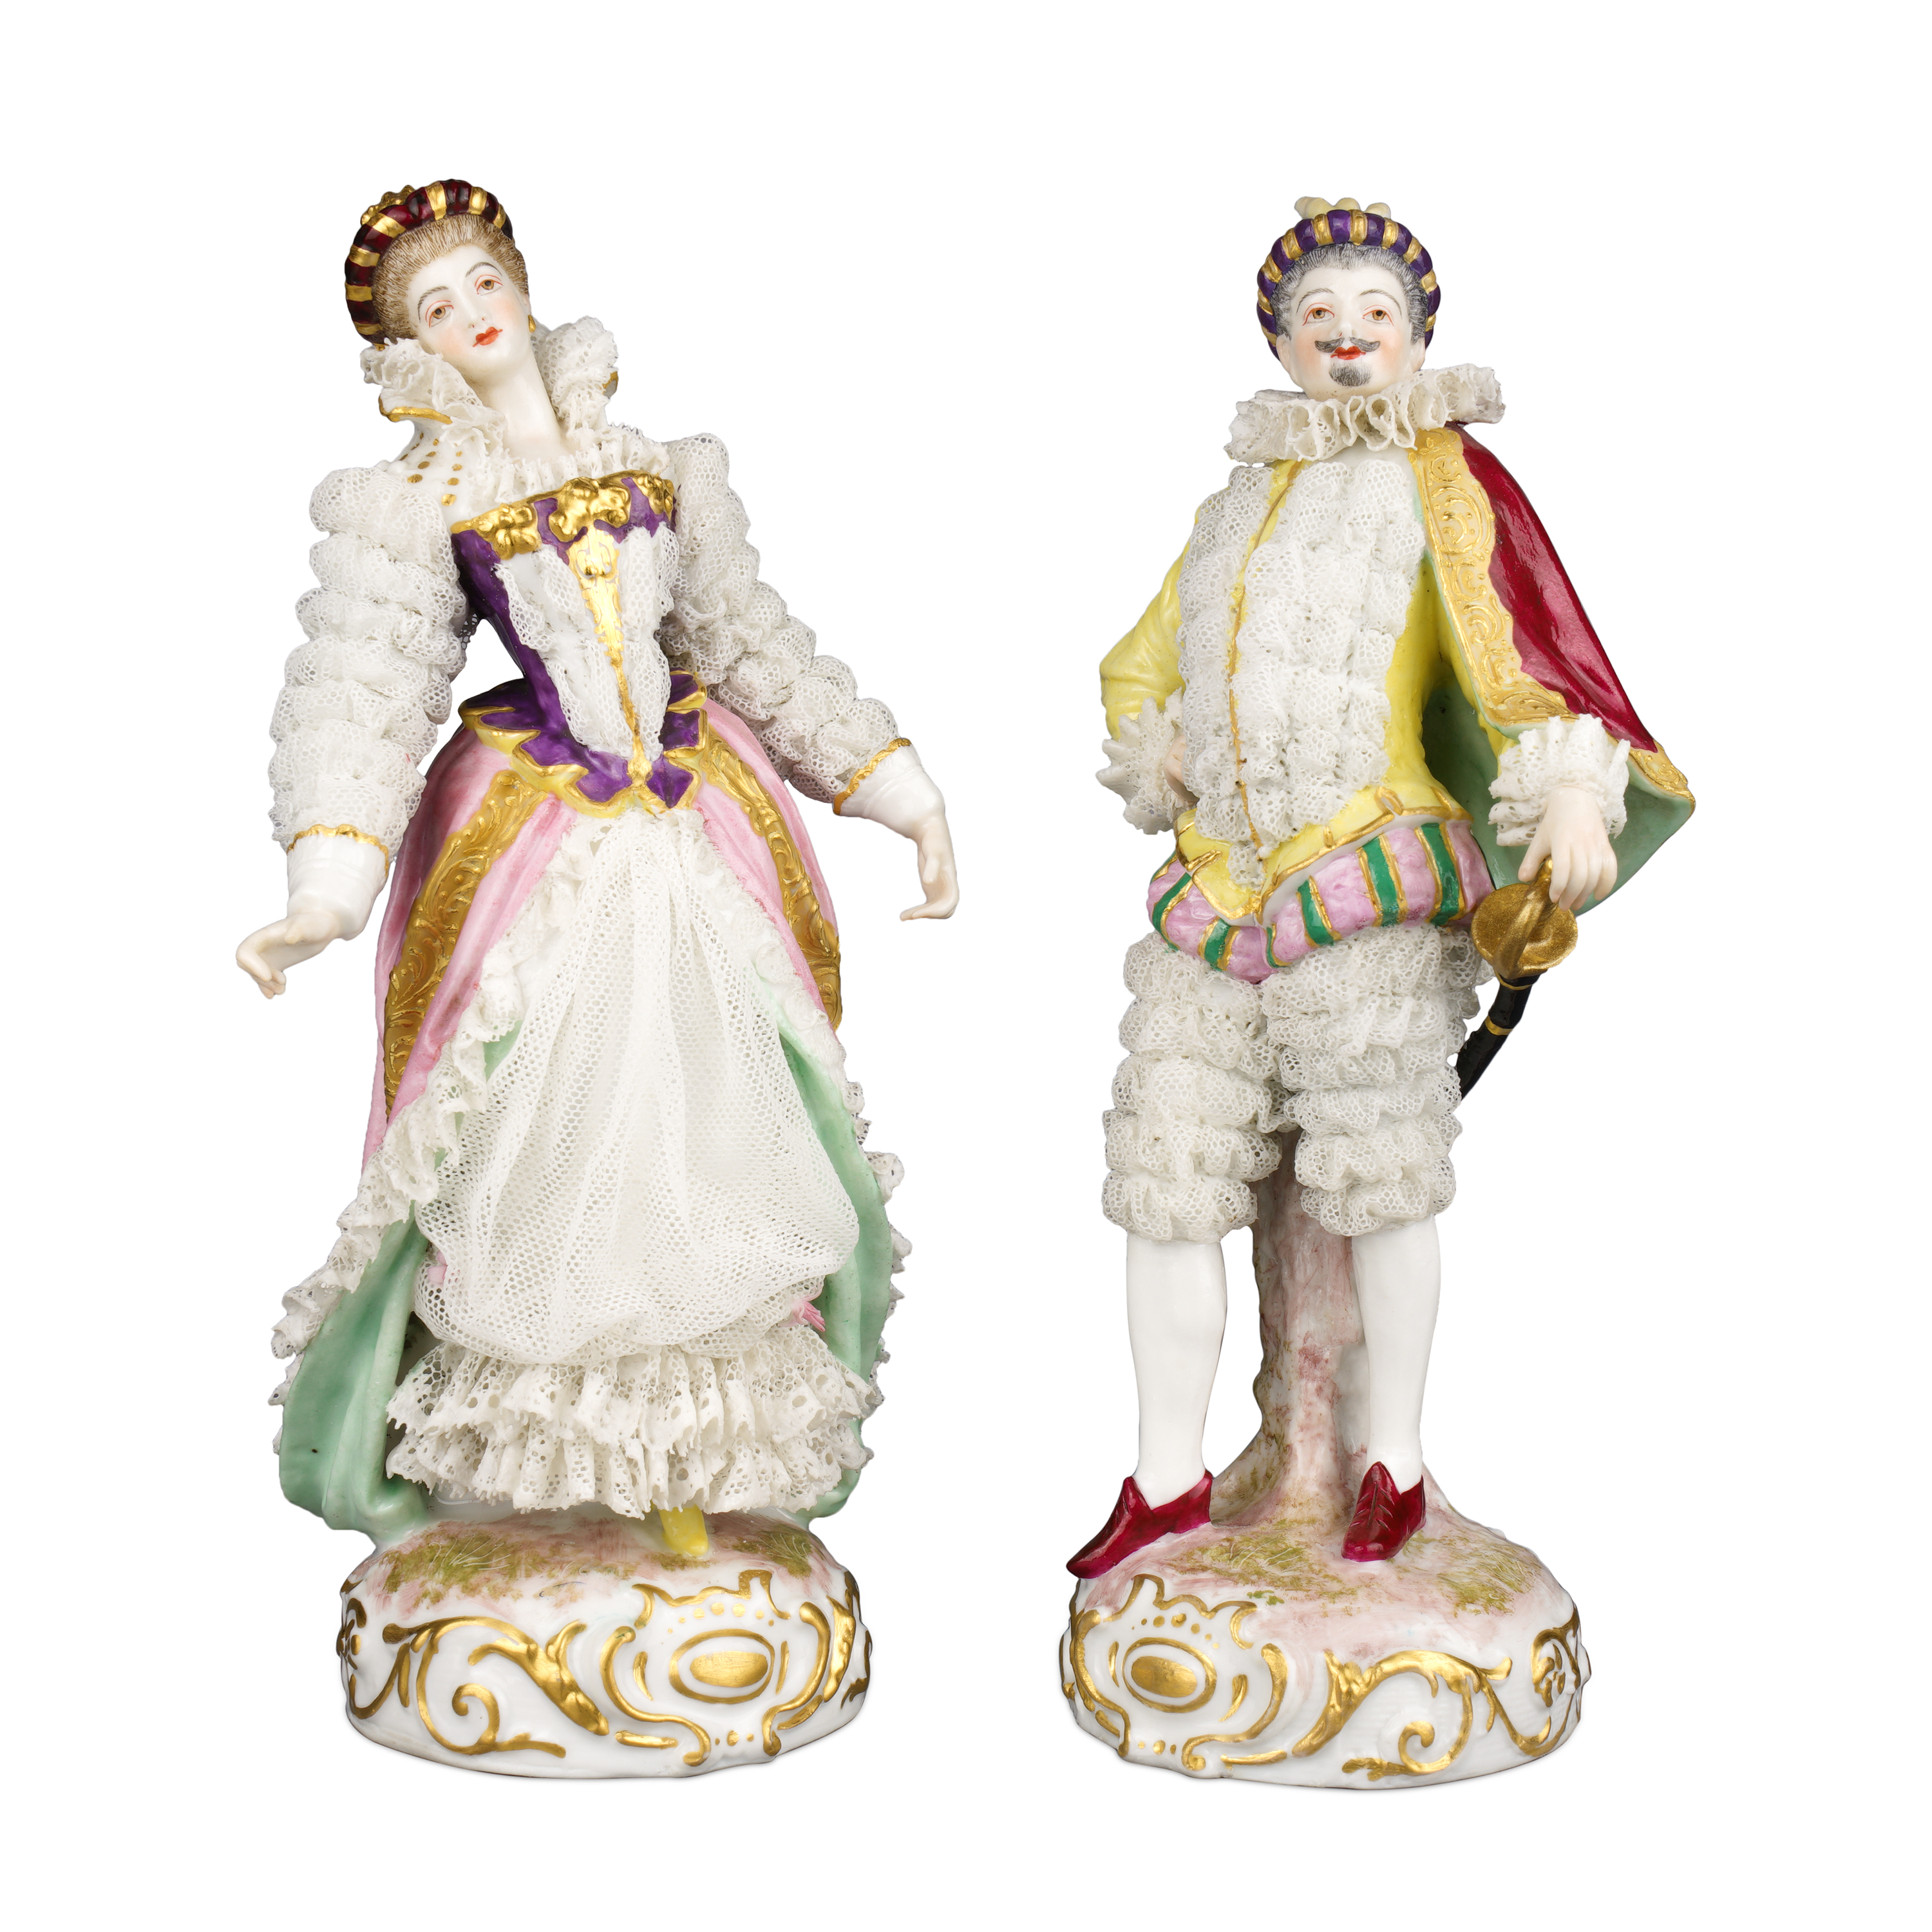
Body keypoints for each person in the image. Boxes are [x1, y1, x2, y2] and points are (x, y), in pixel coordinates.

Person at [240, 180, 957, 1555]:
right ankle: (538, 1472)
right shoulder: (422, 500)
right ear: (409, 351)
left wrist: (901, 791)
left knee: (708, 1132)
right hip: (547, 853)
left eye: (482, 283)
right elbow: (364, 686)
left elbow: (749, 640)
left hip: (689, 841)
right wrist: (323, 890)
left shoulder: (655, 460)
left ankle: (686, 1465)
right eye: (434, 308)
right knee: (550, 1145)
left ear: (523, 286)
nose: (471, 315)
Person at [1068, 196, 1690, 1577]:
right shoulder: (1237, 501)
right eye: (1318, 319)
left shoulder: (1444, 485)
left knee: (1382, 1180)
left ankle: (1387, 1459)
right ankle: (1164, 1477)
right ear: (1280, 343)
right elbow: (1141, 660)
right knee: (1166, 1178)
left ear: (1417, 336)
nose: (1347, 341)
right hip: (1216, 892)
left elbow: (1524, 657)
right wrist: (1161, 748)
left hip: (1365, 881)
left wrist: (1569, 787)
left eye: (1375, 317)